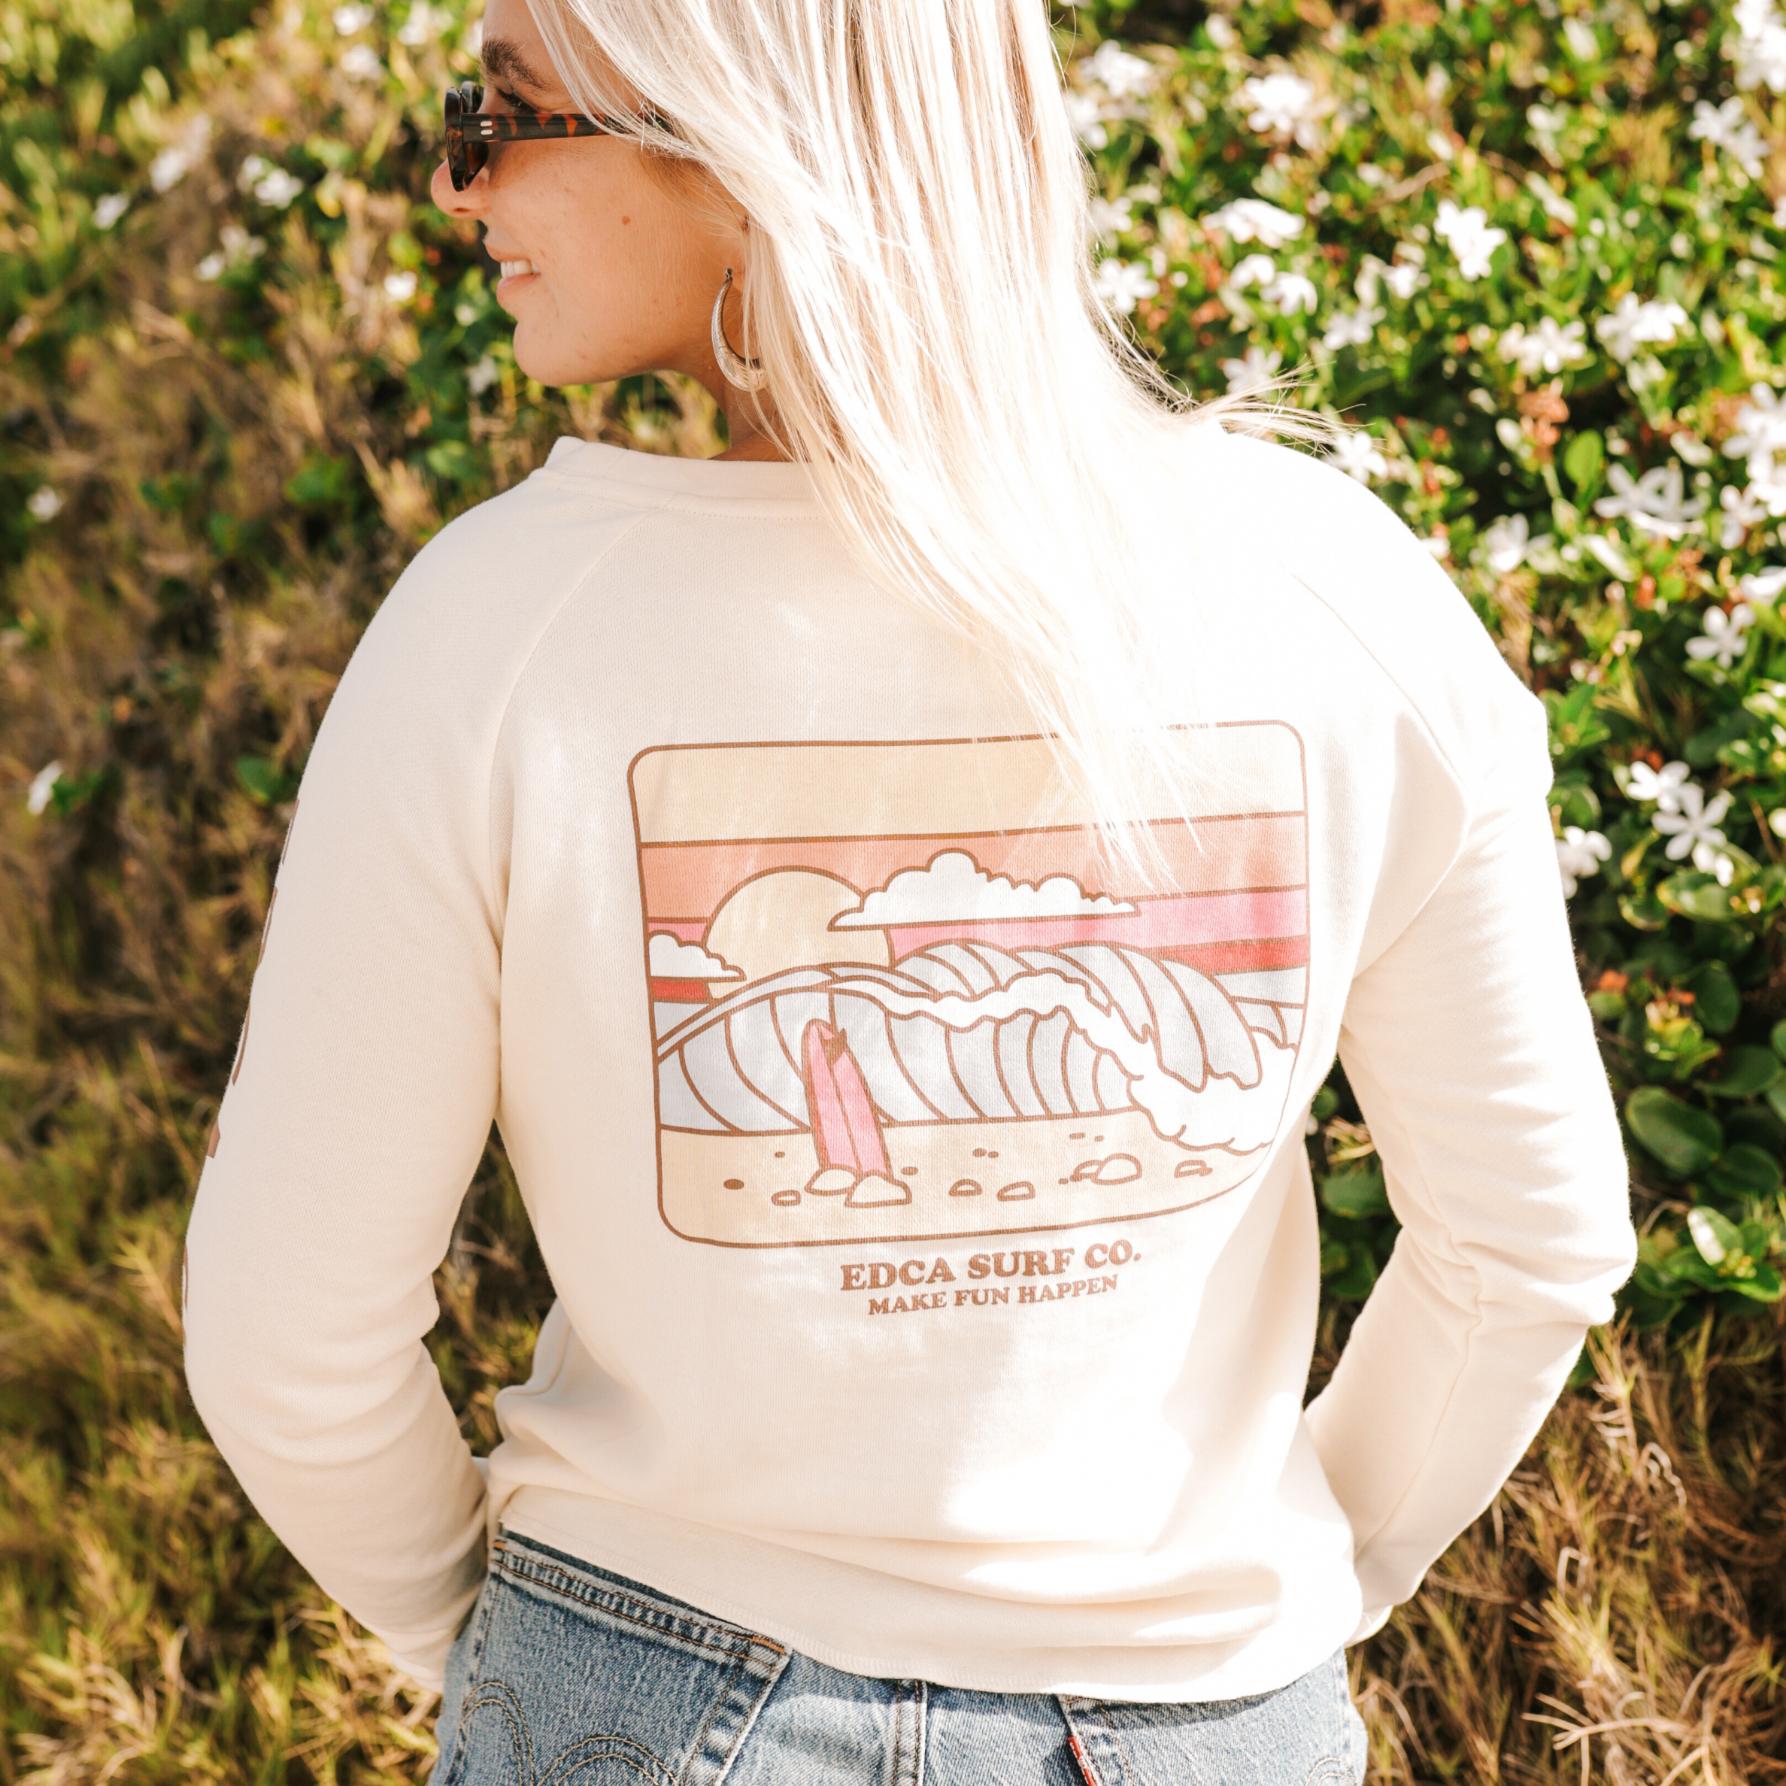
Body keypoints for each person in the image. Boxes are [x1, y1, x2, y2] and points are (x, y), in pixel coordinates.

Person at [178, 2, 1642, 1781]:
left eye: (501, 110)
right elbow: (1528, 1239)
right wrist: (1264, 1598)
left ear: (733, 142)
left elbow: (287, 1333)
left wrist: (500, 1661)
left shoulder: (496, 635)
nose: (456, 182)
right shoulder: (1332, 590)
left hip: (643, 1700)